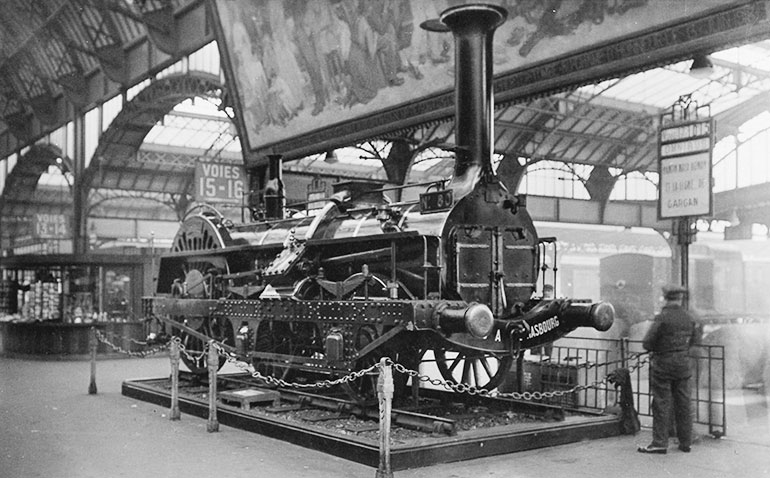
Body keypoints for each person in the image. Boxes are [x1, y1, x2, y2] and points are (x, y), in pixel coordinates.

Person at [637, 284, 700, 454]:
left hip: (663, 364)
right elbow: (695, 341)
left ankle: (659, 443)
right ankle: (686, 442)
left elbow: (647, 343)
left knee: (661, 403)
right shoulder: (689, 317)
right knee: (684, 404)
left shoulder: (662, 317)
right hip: (683, 365)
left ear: (666, 298)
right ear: (680, 299)